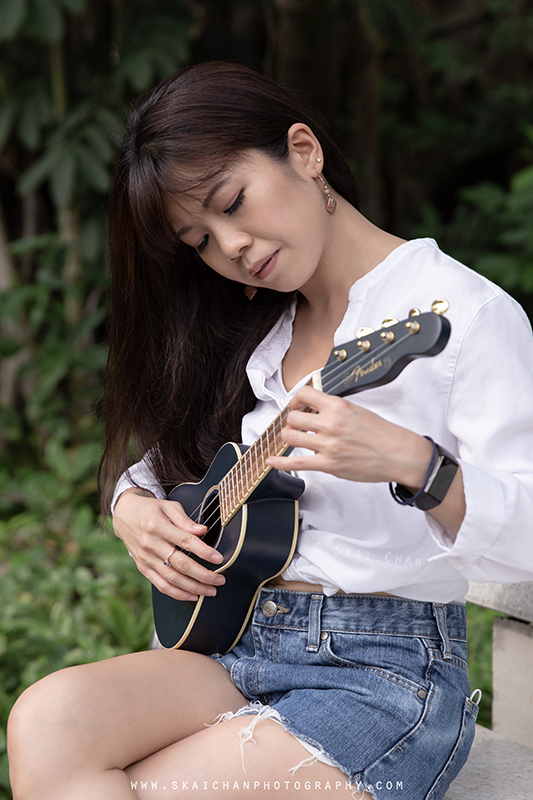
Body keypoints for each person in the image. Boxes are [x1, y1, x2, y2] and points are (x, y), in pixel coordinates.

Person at [7, 61, 533, 800]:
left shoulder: (461, 312)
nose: (230, 247)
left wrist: (417, 464)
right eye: (199, 240)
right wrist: (131, 510)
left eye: (232, 201)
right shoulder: (255, 335)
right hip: (239, 647)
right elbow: (163, 469)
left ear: (304, 152)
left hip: (382, 678)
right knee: (46, 720)